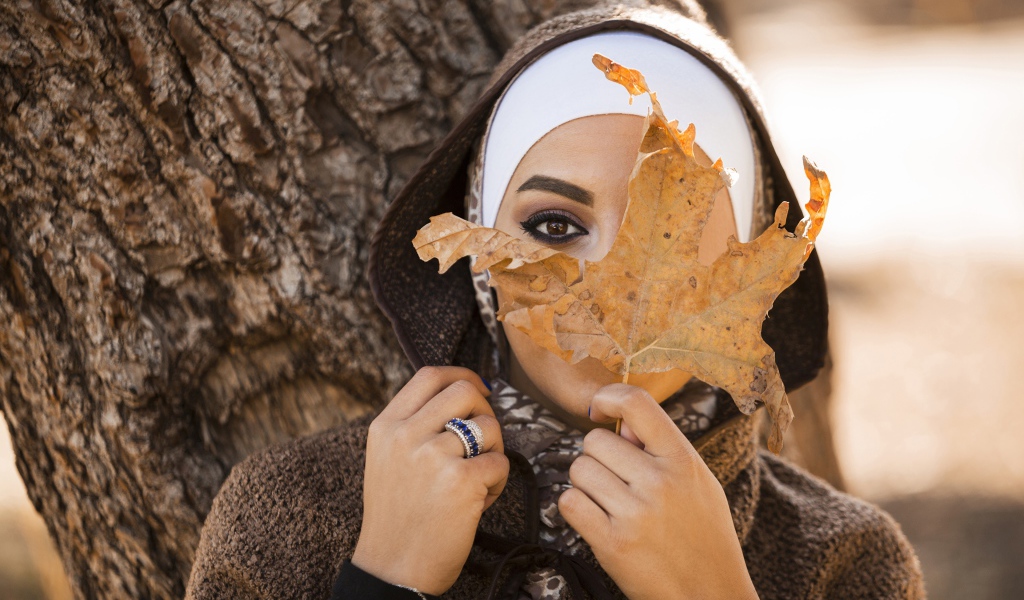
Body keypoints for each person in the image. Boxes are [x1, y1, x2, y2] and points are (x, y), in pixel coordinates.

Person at [185, 3, 926, 599]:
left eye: (680, 236)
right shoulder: (293, 513)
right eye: (555, 227)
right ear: (479, 255)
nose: (607, 297)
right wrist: (383, 580)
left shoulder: (844, 561)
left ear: (753, 281)